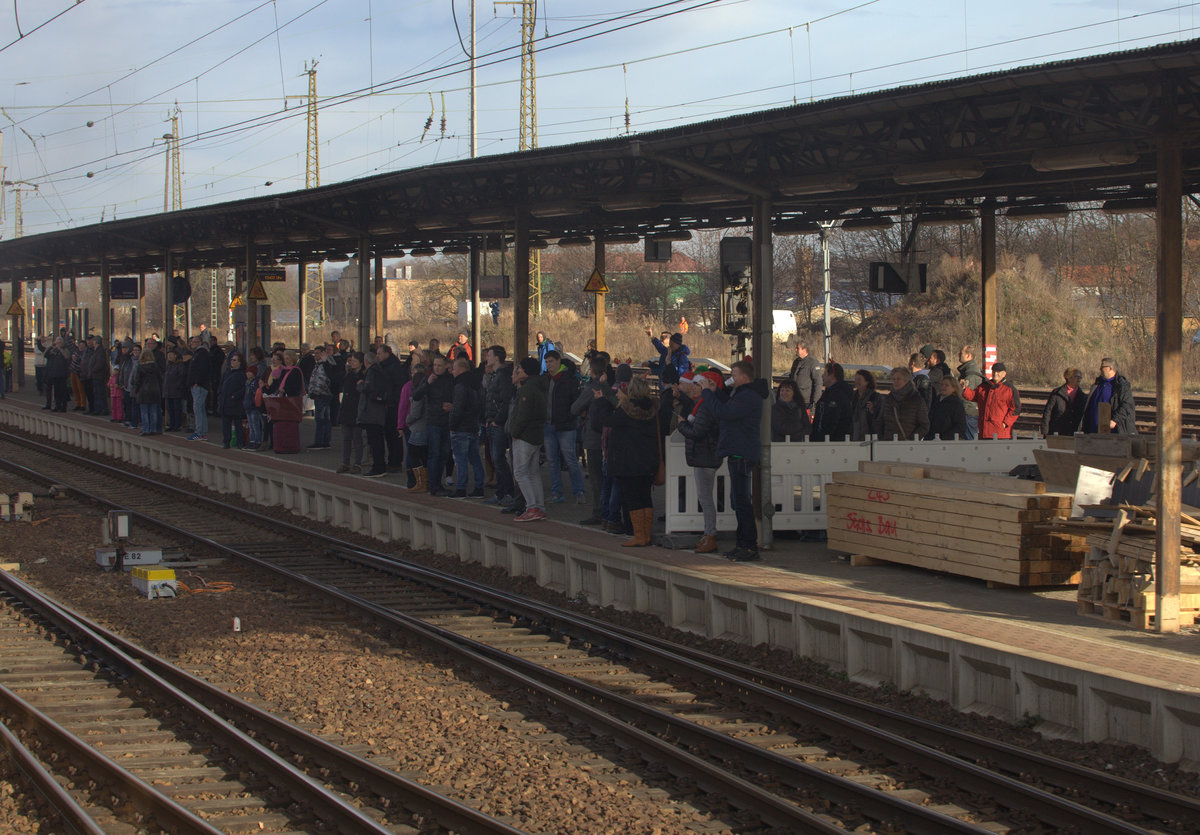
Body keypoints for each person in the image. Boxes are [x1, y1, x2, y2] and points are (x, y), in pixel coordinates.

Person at [697, 360, 768, 561]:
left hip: (741, 451)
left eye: (734, 374)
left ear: (744, 376)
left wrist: (707, 394)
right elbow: (728, 406)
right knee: (737, 500)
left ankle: (748, 545)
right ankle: (742, 544)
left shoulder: (749, 396)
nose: (731, 378)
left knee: (742, 501)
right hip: (738, 450)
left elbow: (723, 412)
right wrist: (716, 391)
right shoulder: (743, 394)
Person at [600, 375, 659, 547]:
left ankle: (638, 535)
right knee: (646, 497)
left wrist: (603, 401)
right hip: (649, 461)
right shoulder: (654, 410)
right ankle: (646, 534)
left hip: (628, 462)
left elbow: (605, 420)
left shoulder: (625, 411)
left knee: (632, 498)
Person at [676, 371, 722, 553]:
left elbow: (698, 432)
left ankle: (710, 534)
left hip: (705, 456)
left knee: (705, 498)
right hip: (707, 455)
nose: (696, 387)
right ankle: (707, 534)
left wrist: (681, 425)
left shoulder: (705, 407)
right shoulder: (706, 404)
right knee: (706, 497)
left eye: (700, 384)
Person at [573, 356, 612, 524]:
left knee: (596, 477)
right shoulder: (610, 386)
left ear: (592, 371)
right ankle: (610, 511)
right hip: (609, 437)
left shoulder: (591, 388)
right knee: (607, 476)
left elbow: (574, 408)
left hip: (594, 437)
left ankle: (599, 512)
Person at [543, 350, 586, 504]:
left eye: (551, 362)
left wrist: (571, 417)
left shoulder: (568, 379)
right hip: (549, 424)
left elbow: (576, 401)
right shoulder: (546, 379)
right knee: (552, 460)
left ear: (558, 361)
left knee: (570, 458)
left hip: (566, 426)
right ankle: (557, 491)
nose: (548, 365)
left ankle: (579, 490)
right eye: (546, 362)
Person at [510, 357, 549, 522]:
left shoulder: (527, 390)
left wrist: (514, 431)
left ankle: (532, 507)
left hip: (525, 436)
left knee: (520, 472)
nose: (517, 372)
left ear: (525, 371)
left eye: (519, 369)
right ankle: (539, 507)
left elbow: (523, 415)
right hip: (537, 435)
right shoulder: (541, 387)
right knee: (533, 473)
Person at [413, 354, 454, 495]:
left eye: (439, 365)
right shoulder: (429, 379)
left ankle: (438, 482)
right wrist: (427, 384)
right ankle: (433, 485)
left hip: (446, 422)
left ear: (445, 366)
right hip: (433, 422)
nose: (436, 368)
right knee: (434, 454)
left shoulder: (450, 380)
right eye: (435, 365)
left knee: (443, 454)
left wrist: (452, 406)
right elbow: (416, 395)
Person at [447, 357, 486, 497]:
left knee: (460, 458)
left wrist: (452, 425)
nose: (452, 372)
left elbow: (458, 407)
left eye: (454, 368)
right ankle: (479, 486)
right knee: (475, 458)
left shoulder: (460, 385)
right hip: (473, 426)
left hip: (461, 427)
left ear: (461, 369)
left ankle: (461, 487)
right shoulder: (476, 384)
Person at [483, 346, 515, 507]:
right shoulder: (494, 375)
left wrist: (497, 419)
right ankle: (501, 492)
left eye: (489, 355)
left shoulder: (502, 376)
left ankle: (507, 492)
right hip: (491, 421)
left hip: (497, 423)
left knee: (499, 459)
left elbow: (505, 399)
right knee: (496, 459)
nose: (486, 357)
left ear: (496, 358)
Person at [357, 350, 393, 477]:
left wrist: (360, 385)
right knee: (378, 440)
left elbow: (369, 388)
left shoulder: (372, 372)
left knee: (375, 441)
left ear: (366, 362)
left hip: (372, 412)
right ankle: (380, 465)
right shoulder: (381, 371)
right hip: (379, 411)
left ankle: (378, 467)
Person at [962, 362, 1018, 440]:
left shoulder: (1010, 389)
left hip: (1000, 433)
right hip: (984, 431)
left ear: (1004, 374)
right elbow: (973, 396)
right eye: (994, 371)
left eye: (998, 372)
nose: (995, 374)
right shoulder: (984, 386)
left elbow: (1016, 409)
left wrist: (1006, 422)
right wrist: (965, 389)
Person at [264, 350, 304, 454]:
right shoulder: (283, 370)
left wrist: (286, 390)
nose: (286, 361)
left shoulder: (296, 371)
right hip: (282, 400)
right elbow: (279, 384)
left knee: (289, 424)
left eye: (287, 358)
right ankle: (279, 444)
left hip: (291, 400)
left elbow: (296, 387)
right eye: (284, 358)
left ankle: (289, 446)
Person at [1083, 358, 1136, 434]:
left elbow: (1127, 405)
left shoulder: (1121, 385)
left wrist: (1115, 420)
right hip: (1093, 431)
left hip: (1112, 433)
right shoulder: (1098, 384)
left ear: (1110, 368)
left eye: (1102, 367)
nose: (1100, 369)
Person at [398, 354, 429, 489]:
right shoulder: (429, 388)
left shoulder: (410, 389)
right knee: (425, 455)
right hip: (426, 426)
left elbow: (403, 407)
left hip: (413, 426)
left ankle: (414, 481)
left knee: (412, 455)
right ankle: (425, 480)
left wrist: (402, 423)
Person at [376, 343, 406, 470]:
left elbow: (397, 386)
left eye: (379, 354)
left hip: (393, 405)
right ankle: (393, 460)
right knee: (389, 434)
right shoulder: (386, 366)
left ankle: (395, 461)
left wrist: (389, 399)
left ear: (387, 353)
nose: (378, 356)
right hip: (389, 404)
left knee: (393, 435)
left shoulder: (393, 367)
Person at [881, 366, 931, 441]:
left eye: (898, 379)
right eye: (894, 379)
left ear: (906, 380)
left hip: (908, 445)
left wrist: (911, 439)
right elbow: (880, 421)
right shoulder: (888, 399)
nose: (895, 382)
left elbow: (924, 425)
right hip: (889, 443)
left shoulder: (917, 400)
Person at [810, 362, 855, 442]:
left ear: (832, 376)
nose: (822, 376)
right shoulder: (829, 393)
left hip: (833, 441)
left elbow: (831, 419)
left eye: (825, 373)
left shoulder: (837, 395)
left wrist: (822, 436)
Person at [336, 352, 365, 473]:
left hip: (356, 409)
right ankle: (345, 462)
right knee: (346, 438)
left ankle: (358, 463)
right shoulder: (348, 375)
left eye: (354, 361)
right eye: (350, 361)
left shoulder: (363, 375)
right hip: (347, 409)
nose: (351, 363)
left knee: (357, 438)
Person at [1043, 368, 1087, 437]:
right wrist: (1045, 431)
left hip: (1074, 433)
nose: (1079, 379)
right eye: (1076, 376)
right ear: (1068, 378)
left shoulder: (1083, 396)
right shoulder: (1057, 393)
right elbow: (1048, 412)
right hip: (1057, 431)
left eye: (1080, 377)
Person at [306, 344, 335, 450]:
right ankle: (325, 441)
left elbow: (322, 380)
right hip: (321, 393)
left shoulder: (325, 364)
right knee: (325, 418)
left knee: (321, 418)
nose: (315, 355)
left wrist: (316, 391)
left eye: (318, 353)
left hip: (322, 394)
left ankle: (320, 441)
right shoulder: (318, 364)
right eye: (315, 353)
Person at [216, 353, 247, 448]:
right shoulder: (227, 372)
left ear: (240, 362)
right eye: (231, 360)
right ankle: (226, 441)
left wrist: (235, 396)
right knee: (226, 424)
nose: (232, 362)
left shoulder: (242, 374)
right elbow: (221, 385)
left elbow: (244, 388)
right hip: (225, 402)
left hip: (236, 402)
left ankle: (240, 442)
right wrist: (220, 395)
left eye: (235, 360)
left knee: (238, 424)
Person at [926, 374, 968, 440]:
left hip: (948, 441)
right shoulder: (936, 401)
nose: (943, 387)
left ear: (954, 388)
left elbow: (960, 426)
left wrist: (945, 437)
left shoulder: (956, 403)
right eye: (942, 384)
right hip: (932, 438)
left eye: (947, 385)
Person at [132, 350, 164, 436]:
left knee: (144, 411)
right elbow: (160, 379)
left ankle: (146, 429)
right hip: (155, 390)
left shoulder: (140, 367)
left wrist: (135, 389)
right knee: (153, 411)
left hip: (143, 391)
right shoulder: (156, 367)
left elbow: (137, 380)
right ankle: (153, 429)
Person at [956, 346, 984, 440]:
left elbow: (968, 397)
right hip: (969, 412)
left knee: (970, 441)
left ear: (968, 356)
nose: (959, 355)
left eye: (961, 353)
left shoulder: (970, 374)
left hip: (969, 413)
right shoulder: (967, 371)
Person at [187, 336, 211, 441]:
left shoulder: (202, 354)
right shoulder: (197, 353)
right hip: (197, 385)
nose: (192, 343)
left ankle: (199, 432)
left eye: (195, 342)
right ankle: (202, 432)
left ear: (200, 342)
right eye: (192, 341)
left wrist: (197, 382)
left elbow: (202, 369)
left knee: (198, 409)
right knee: (199, 409)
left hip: (200, 386)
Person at [789, 341, 822, 412]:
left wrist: (815, 402)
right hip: (794, 399)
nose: (795, 350)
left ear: (804, 349)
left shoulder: (812, 362)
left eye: (798, 348)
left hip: (806, 401)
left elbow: (818, 383)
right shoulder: (796, 362)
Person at [851, 369, 884, 441]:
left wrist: (873, 411)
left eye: (859, 379)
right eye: (855, 379)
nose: (856, 382)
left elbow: (880, 416)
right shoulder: (853, 396)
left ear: (867, 382)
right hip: (854, 434)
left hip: (870, 435)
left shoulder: (875, 397)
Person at [163, 348, 188, 431]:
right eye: (168, 355)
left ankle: (177, 425)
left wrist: (178, 386)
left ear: (175, 356)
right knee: (170, 409)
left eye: (171, 355)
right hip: (168, 390)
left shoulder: (180, 365)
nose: (169, 357)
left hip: (176, 390)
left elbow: (181, 377)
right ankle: (171, 424)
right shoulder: (168, 365)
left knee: (177, 408)